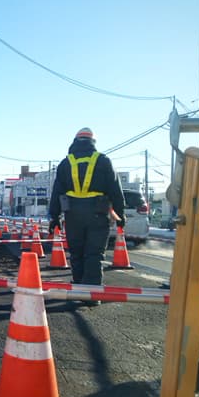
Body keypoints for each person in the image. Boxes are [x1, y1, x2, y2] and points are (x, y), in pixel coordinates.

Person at [48, 127, 125, 303]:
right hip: (98, 213)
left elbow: (57, 192)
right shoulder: (103, 160)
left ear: (75, 141)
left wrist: (55, 217)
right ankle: (91, 294)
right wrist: (120, 215)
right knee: (94, 253)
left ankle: (78, 288)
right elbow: (115, 190)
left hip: (73, 214)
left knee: (76, 252)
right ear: (93, 142)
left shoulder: (66, 163)